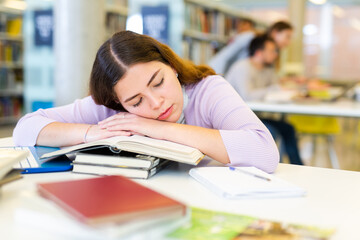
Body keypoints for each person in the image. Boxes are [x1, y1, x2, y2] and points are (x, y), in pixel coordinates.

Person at [13, 31, 279, 173]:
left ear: (171, 65)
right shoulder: (111, 108)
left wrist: (160, 128)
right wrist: (93, 132)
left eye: (158, 82)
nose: (156, 103)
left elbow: (265, 152)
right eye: (136, 101)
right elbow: (25, 128)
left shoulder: (208, 90)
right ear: (119, 102)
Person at [225, 35, 303, 165]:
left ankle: (298, 167)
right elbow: (247, 95)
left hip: (254, 116)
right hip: (237, 119)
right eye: (272, 51)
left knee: (288, 129)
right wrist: (272, 89)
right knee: (271, 132)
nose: (276, 55)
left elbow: (275, 88)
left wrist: (277, 89)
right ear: (259, 52)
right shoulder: (242, 67)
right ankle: (269, 166)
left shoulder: (268, 69)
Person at [208, 20, 293, 76]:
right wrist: (217, 81)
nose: (288, 42)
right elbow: (223, 57)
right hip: (226, 81)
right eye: (287, 37)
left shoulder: (271, 53)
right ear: (275, 32)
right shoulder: (249, 37)